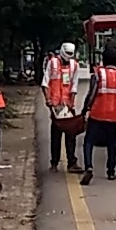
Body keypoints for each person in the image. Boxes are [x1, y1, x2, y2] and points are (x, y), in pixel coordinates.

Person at [80, 46, 116, 185]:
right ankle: (111, 172)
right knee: (111, 143)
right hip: (113, 115)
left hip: (97, 113)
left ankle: (88, 167)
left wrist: (85, 109)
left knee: (89, 141)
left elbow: (92, 94)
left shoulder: (98, 75)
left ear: (103, 60)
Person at [42, 42, 82, 172]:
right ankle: (54, 163)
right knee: (56, 135)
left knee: (71, 134)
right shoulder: (52, 63)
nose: (68, 57)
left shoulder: (75, 65)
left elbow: (74, 86)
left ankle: (72, 162)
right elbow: (45, 83)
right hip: (56, 105)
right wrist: (48, 100)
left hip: (68, 105)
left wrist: (71, 102)